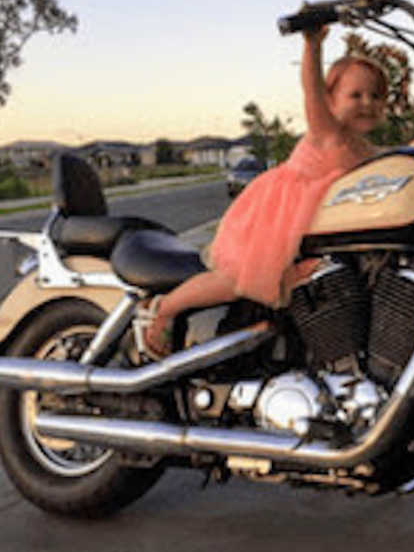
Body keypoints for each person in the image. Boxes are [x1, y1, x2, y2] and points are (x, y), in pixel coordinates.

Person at [141, 27, 388, 356]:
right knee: (238, 279)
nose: (367, 104)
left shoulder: (365, 149)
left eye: (376, 96)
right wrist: (312, 45)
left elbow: (399, 161)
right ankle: (165, 308)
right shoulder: (328, 132)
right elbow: (311, 91)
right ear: (331, 100)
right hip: (280, 216)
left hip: (315, 227)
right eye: (355, 96)